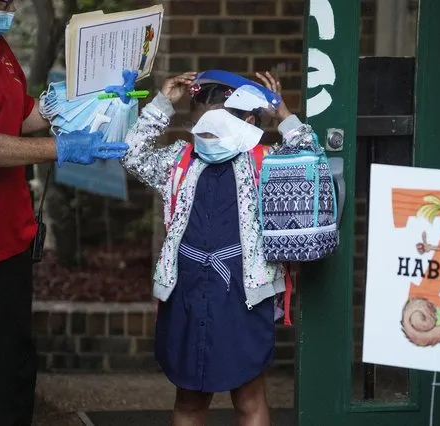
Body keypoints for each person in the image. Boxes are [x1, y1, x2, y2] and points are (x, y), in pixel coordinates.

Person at [0, 0, 128, 424]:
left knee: (9, 370)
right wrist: (61, 148)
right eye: (0, 0)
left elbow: (18, 118)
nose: (10, 6)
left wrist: (85, 101)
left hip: (8, 238)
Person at [121, 70, 310, 426]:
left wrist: (283, 116)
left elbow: (309, 157)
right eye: (199, 128)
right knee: (189, 399)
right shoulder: (179, 161)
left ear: (248, 121)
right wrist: (162, 104)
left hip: (244, 295)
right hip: (187, 293)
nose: (205, 136)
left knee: (249, 396)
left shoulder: (266, 162)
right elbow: (132, 154)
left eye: (216, 128)